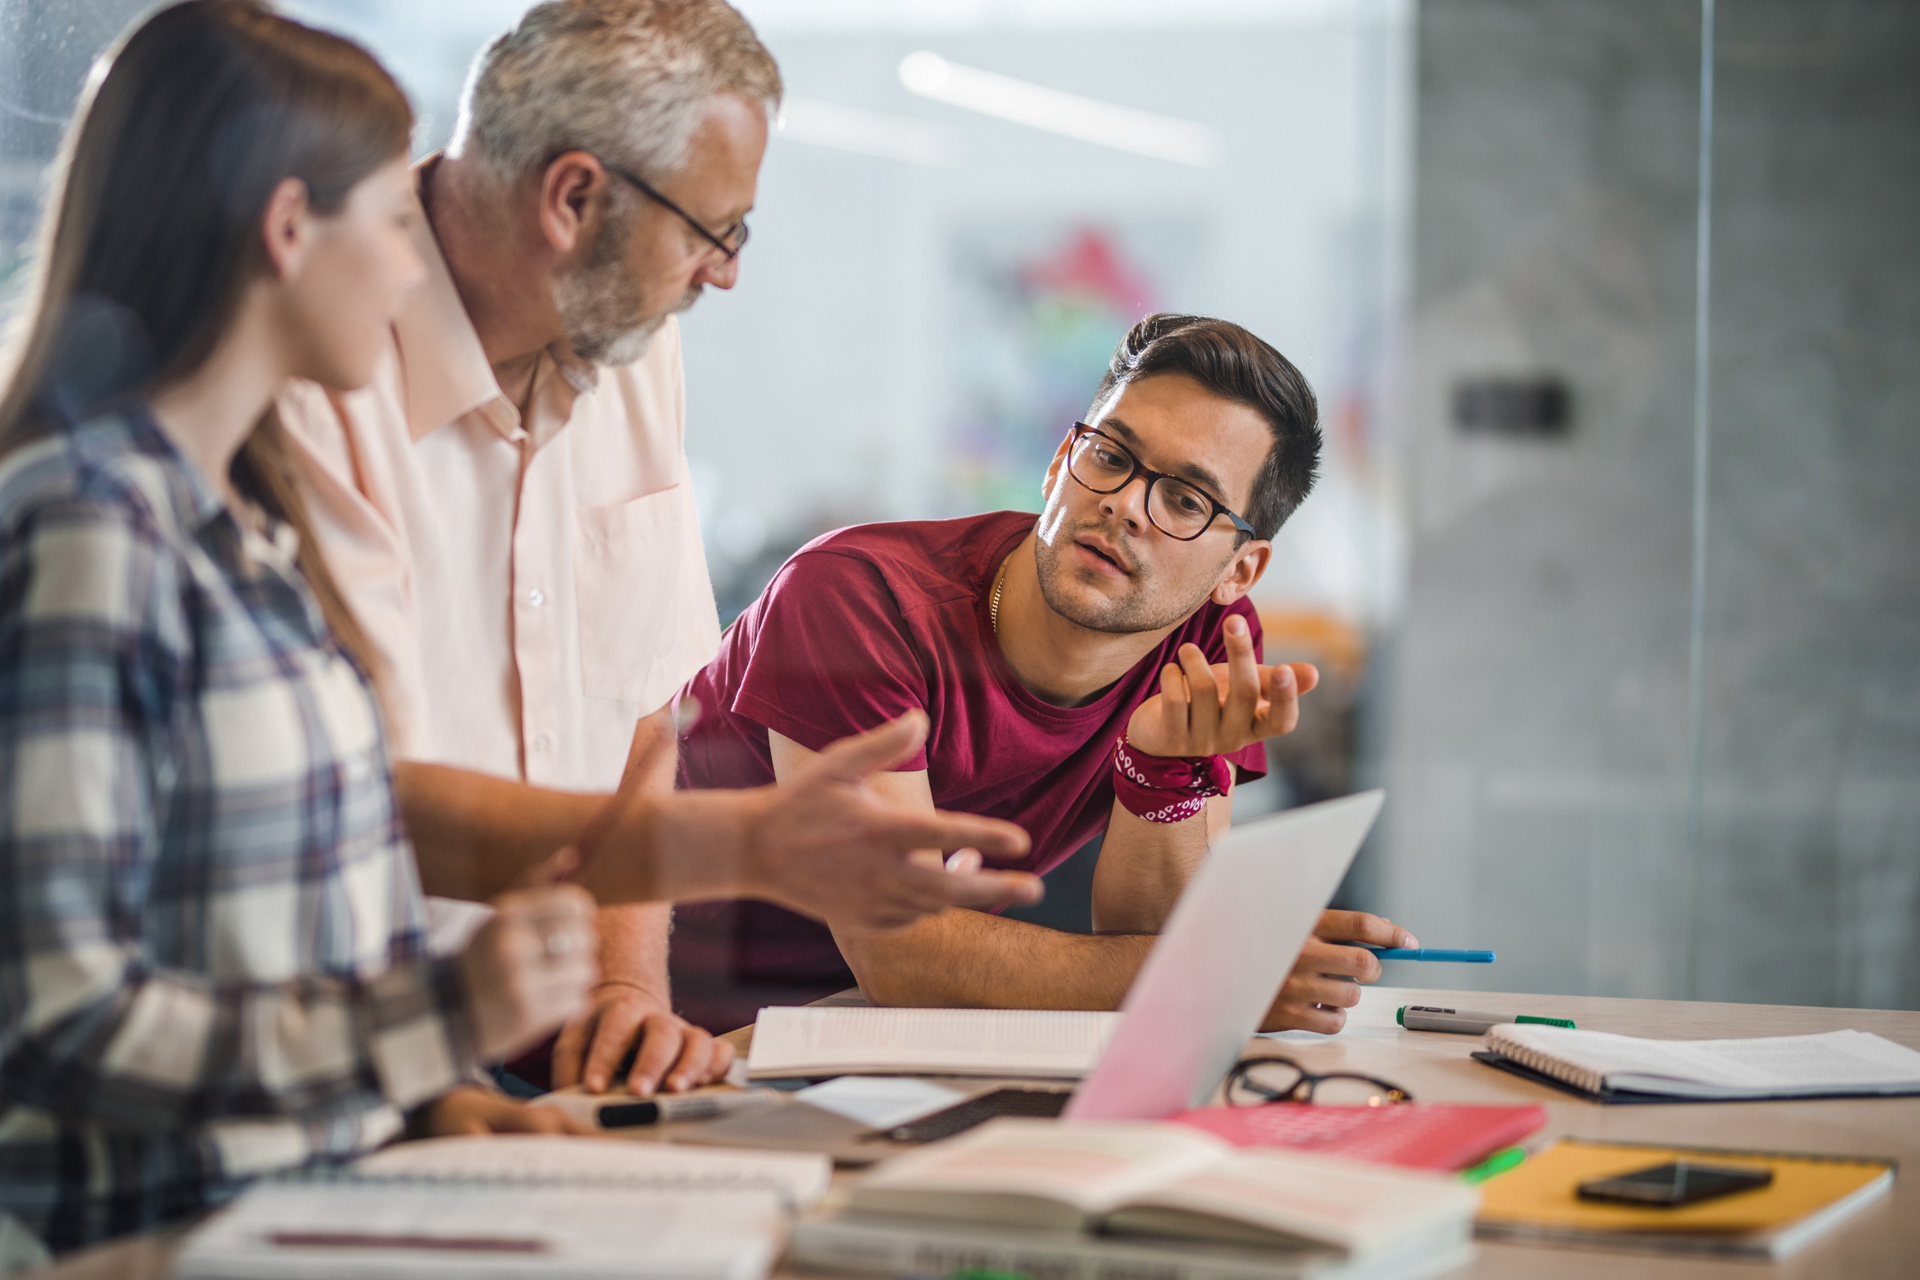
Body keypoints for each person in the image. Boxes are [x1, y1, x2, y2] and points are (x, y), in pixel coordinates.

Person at [0, 1, 1031, 1259]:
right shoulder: (96, 531)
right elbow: (67, 1014)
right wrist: (443, 1026)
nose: (404, 268)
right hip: (211, 1207)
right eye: (390, 217)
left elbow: (323, 890)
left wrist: (469, 1086)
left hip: (365, 1138)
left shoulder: (237, 540)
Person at [273, 0, 1024, 1097]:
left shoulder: (628, 341)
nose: (723, 274)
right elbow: (365, 803)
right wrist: (748, 842)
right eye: (712, 231)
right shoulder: (317, 366)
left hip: (549, 1036)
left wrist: (629, 990)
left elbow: (640, 717)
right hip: (360, 1045)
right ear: (573, 197)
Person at [672, 314, 1421, 1034]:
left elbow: (1154, 936)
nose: (1125, 504)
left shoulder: (1206, 644)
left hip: (883, 1041)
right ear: (1061, 461)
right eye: (1110, 456)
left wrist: (1161, 769)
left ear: (1240, 570)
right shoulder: (857, 597)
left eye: (1186, 501)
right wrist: (1221, 976)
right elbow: (902, 954)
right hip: (668, 1031)